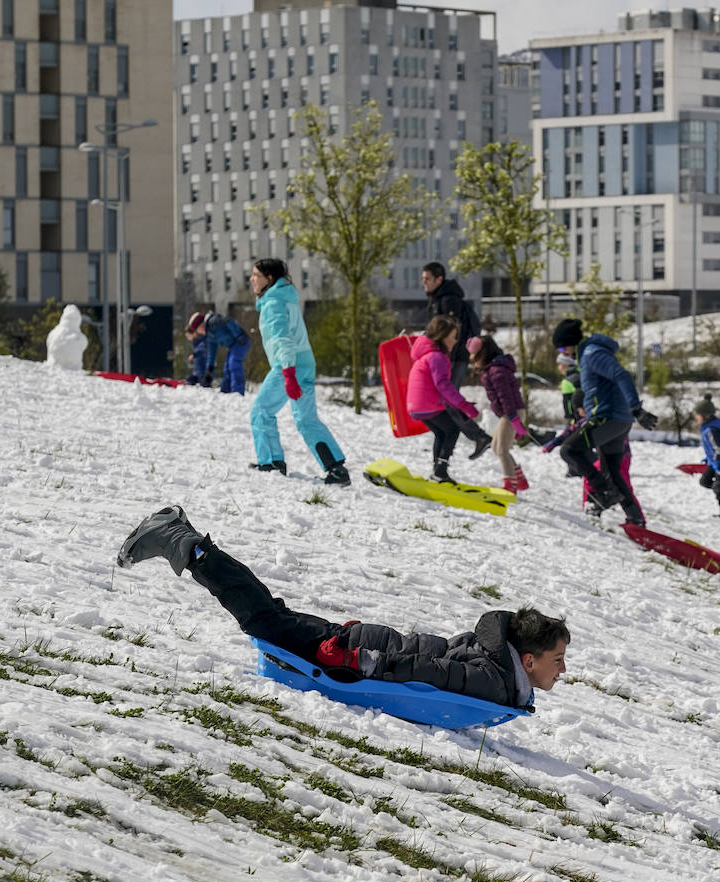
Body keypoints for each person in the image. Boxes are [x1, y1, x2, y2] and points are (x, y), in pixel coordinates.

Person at [116, 506, 569, 708]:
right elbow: (422, 672)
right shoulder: (493, 682)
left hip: (357, 640)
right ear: (528, 659)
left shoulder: (494, 662)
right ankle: (182, 541)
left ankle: (184, 538)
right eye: (558, 659)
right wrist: (354, 660)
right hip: (350, 650)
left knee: (269, 614)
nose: (563, 670)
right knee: (262, 619)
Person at [248, 258, 350, 486]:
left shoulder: (273, 302)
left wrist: (288, 374)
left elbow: (283, 339)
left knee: (261, 411)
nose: (251, 279)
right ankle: (336, 469)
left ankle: (270, 462)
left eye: (256, 275)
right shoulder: (285, 297)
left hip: (289, 365)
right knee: (306, 419)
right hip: (304, 362)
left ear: (270, 278)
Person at [551, 318, 657, 527]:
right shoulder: (589, 355)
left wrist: (636, 407)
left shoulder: (592, 354)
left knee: (569, 450)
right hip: (617, 419)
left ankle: (603, 492)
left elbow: (621, 374)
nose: (563, 353)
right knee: (613, 471)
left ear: (572, 343)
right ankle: (635, 518)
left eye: (563, 348)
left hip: (608, 417)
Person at [406, 315, 493, 484]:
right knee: (453, 430)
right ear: (442, 336)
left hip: (416, 406)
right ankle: (440, 471)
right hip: (428, 404)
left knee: (441, 432)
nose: (455, 342)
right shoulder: (437, 356)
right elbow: (443, 385)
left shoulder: (425, 354)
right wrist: (463, 405)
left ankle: (437, 470)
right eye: (453, 337)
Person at [468, 335, 535, 493]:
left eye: (476, 358)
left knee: (502, 450)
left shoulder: (497, 371)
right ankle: (519, 479)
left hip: (511, 412)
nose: (474, 362)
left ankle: (510, 485)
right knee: (495, 446)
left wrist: (514, 419)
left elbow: (506, 397)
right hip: (509, 413)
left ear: (483, 354)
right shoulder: (494, 369)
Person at [422, 262, 480, 388]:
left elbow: (451, 332)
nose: (424, 282)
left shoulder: (449, 301)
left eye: (427, 278)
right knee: (444, 398)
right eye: (423, 278)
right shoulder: (436, 300)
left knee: (448, 397)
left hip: (454, 357)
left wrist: (445, 360)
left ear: (439, 279)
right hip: (445, 356)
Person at [693, 394, 720, 518]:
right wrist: (709, 458)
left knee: (718, 489)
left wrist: (718, 464)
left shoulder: (712, 430)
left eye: (697, 415)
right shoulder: (708, 427)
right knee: (704, 481)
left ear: (706, 416)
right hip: (716, 461)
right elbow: (712, 447)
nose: (695, 417)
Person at [186, 310, 251, 394]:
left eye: (198, 330)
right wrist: (209, 370)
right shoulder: (209, 335)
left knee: (234, 364)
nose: (199, 333)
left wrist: (238, 335)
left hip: (241, 341)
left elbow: (228, 321)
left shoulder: (213, 321)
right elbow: (211, 353)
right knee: (227, 368)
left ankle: (238, 392)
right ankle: (225, 391)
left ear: (201, 325)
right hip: (232, 346)